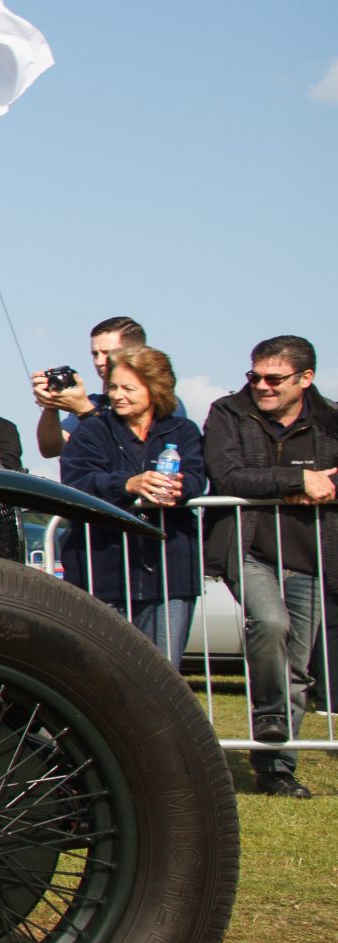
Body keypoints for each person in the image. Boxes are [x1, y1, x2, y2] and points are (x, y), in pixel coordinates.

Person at [202, 335, 338, 798]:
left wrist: (326, 487)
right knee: (270, 622)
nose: (262, 385)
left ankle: (276, 767)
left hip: (313, 557)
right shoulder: (228, 413)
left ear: (306, 379)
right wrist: (297, 480)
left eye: (274, 378)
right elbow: (229, 475)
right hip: (250, 549)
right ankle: (272, 719)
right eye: (254, 376)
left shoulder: (332, 421)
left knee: (298, 668)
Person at [58, 346, 207, 666]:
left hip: (170, 573)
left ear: (155, 389)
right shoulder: (93, 431)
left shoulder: (184, 431)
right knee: (105, 670)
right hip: (102, 571)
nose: (117, 395)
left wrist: (180, 488)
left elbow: (197, 477)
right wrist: (128, 485)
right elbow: (75, 480)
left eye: (128, 388)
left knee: (163, 673)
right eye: (113, 387)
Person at [31, 314, 145, 459]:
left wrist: (84, 411)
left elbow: (131, 456)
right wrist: (51, 404)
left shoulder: (160, 404)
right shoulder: (96, 403)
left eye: (107, 353)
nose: (99, 361)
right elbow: (51, 449)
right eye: (95, 354)